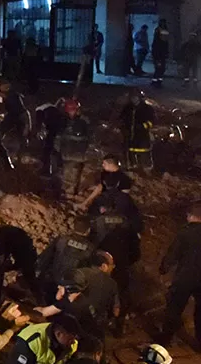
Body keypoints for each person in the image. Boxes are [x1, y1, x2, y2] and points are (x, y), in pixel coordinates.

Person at [156, 202, 201, 352]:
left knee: (174, 307)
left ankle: (165, 340)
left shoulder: (184, 233)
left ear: (190, 216)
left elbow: (172, 254)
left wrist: (163, 269)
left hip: (184, 277)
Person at [90, 197, 139, 334]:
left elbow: (91, 245)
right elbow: (136, 251)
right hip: (122, 265)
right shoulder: (126, 223)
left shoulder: (97, 222)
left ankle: (99, 324)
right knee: (122, 293)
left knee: (101, 293)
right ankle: (119, 325)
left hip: (102, 266)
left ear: (103, 208)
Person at [37, 218, 96, 298]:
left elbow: (45, 258)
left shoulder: (61, 239)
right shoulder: (91, 248)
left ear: (73, 227)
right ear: (88, 230)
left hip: (53, 281)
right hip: (71, 288)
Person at [54, 99, 91, 199]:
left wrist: (74, 138)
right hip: (65, 150)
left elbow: (89, 136)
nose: (72, 112)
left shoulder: (84, 121)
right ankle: (63, 191)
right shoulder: (63, 119)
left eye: (74, 110)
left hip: (78, 151)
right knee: (63, 172)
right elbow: (58, 134)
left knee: (74, 172)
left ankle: (70, 193)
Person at [121, 90, 155, 171]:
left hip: (142, 135)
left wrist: (143, 126)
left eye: (135, 97)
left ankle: (146, 167)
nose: (134, 99)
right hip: (130, 135)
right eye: (132, 97)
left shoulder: (147, 109)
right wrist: (124, 128)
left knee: (143, 151)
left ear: (140, 98)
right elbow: (122, 119)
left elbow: (152, 121)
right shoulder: (127, 108)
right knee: (130, 150)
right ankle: (133, 166)